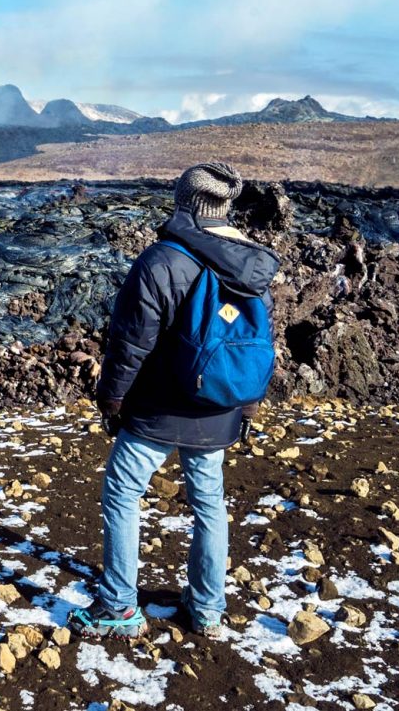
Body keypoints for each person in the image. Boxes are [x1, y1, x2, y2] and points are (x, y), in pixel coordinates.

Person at [70, 162, 281, 640]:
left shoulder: (160, 260)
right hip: (220, 407)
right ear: (225, 206)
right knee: (209, 501)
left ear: (184, 203)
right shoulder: (251, 263)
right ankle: (207, 608)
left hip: (157, 410)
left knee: (123, 493)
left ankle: (119, 606)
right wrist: (246, 409)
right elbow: (257, 341)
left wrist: (111, 401)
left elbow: (128, 345)